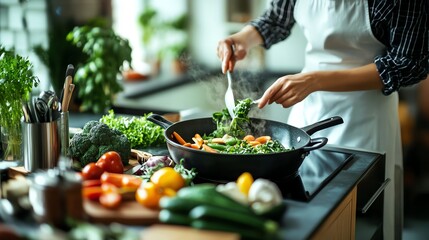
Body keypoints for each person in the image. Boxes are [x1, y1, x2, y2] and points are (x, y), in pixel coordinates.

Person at [217, 1, 428, 239]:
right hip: (308, 107)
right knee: (303, 208)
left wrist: (316, 81)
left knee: (362, 219)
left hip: (366, 116)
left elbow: (409, 64)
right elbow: (275, 19)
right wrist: (242, 39)